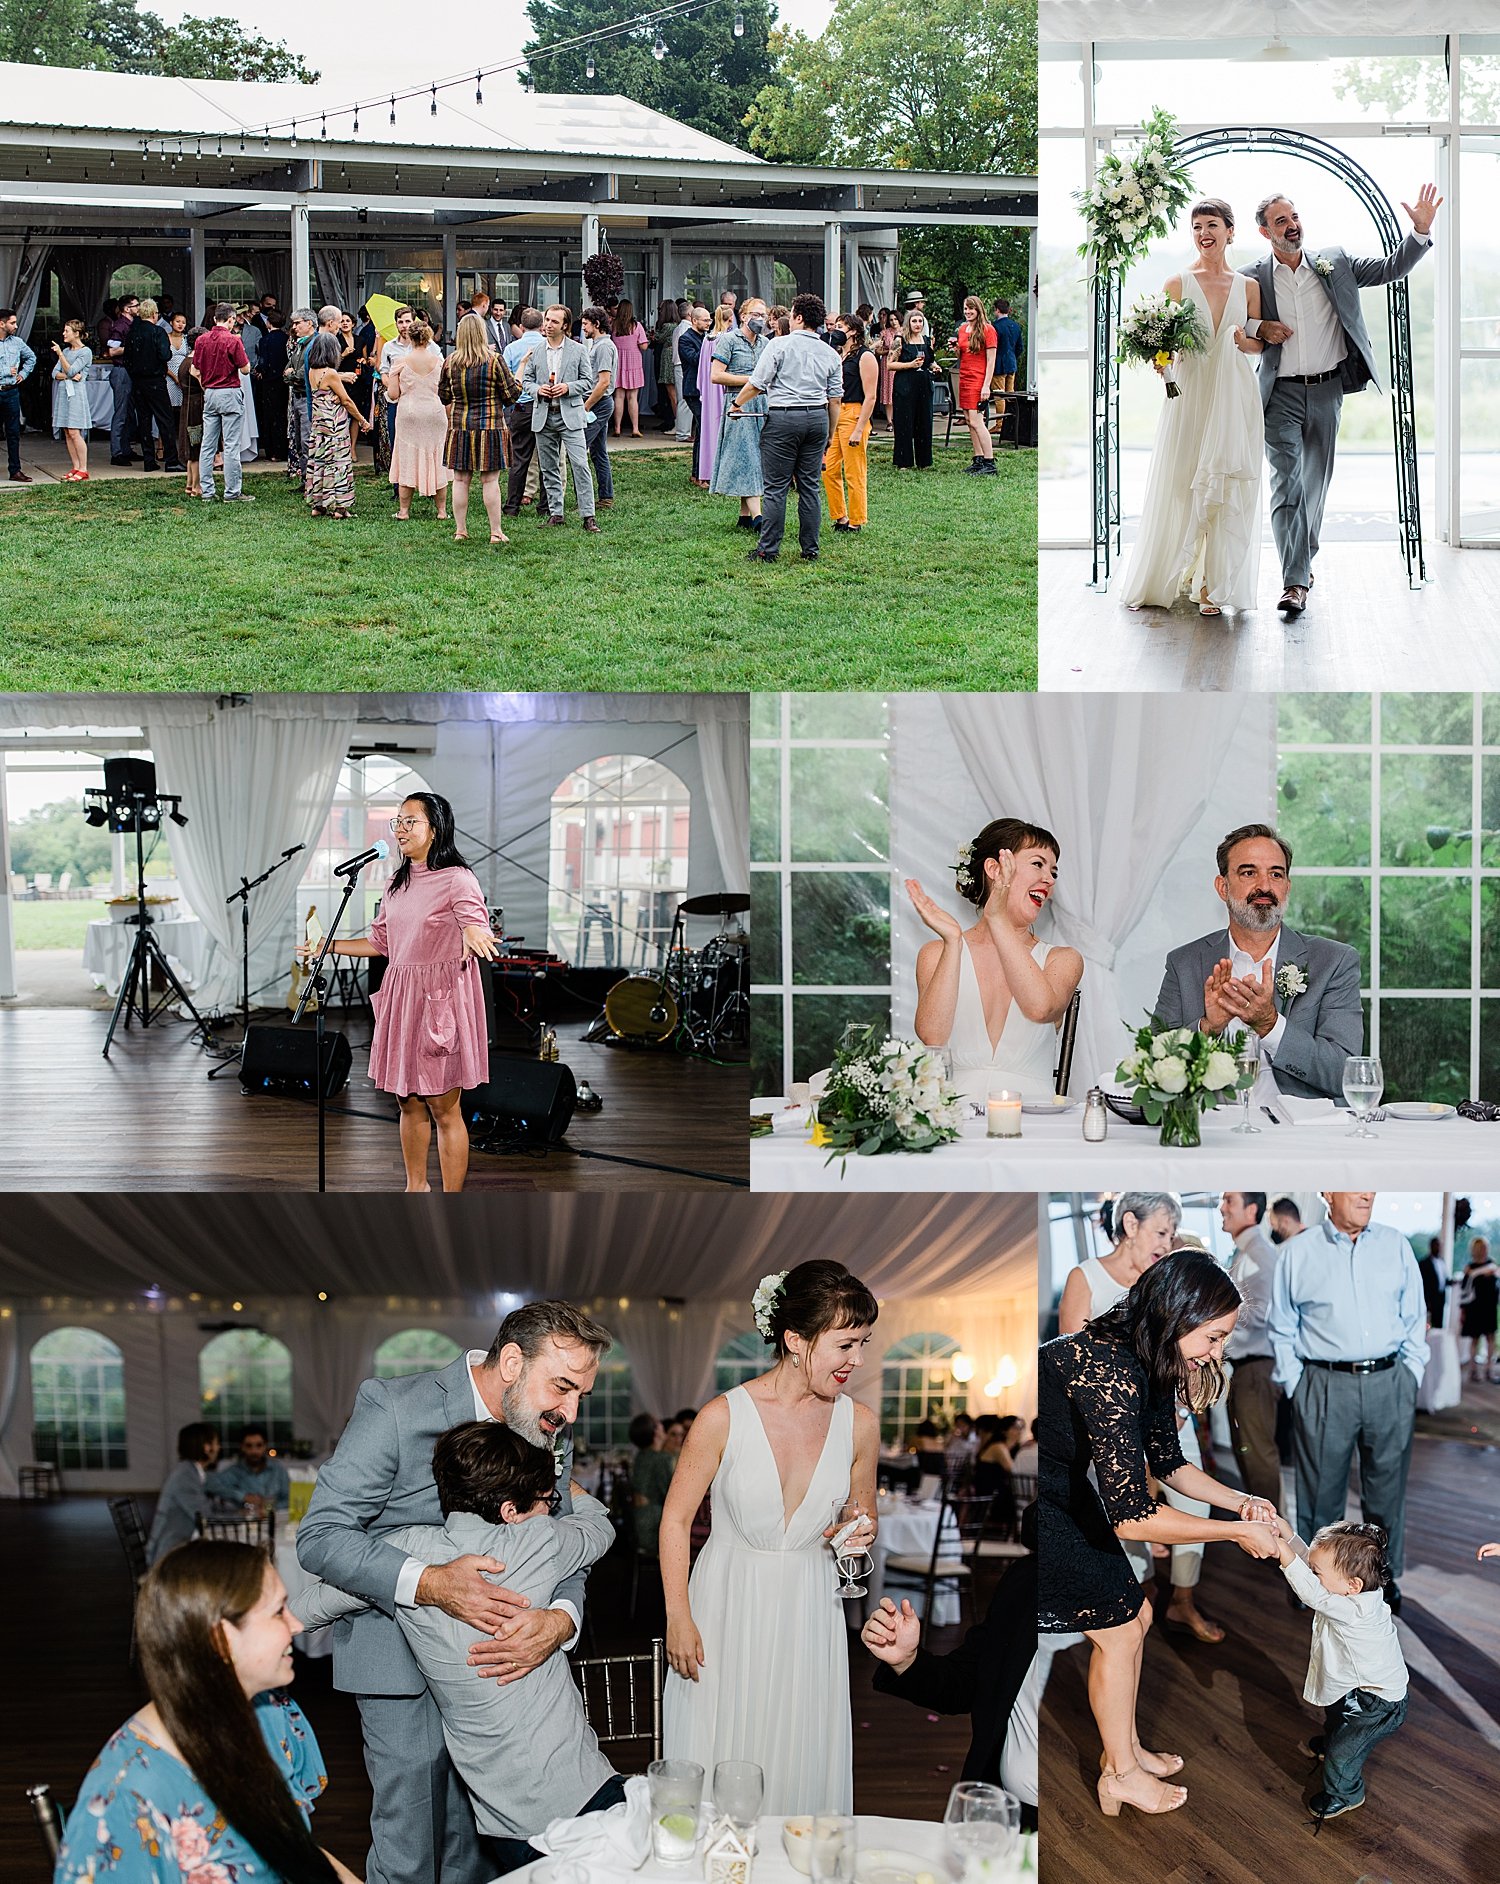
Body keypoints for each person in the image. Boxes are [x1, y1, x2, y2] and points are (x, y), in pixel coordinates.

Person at [297, 1300, 611, 1884]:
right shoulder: (394, 1407)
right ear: (512, 1363)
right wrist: (431, 1583)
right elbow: (321, 1537)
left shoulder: (548, 1428)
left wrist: (562, 1618)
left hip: (503, 1680)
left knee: (480, 1850)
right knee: (409, 1846)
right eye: (563, 1387)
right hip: (396, 1653)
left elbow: (565, 1537)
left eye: (580, 1397)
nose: (569, 1412)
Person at [1038, 1251, 1283, 1818]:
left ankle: (1122, 1751)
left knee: (1137, 1618)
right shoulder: (1108, 1367)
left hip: (1070, 1493)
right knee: (1121, 1631)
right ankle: (1120, 1775)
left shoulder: (1151, 1356)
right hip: (1046, 1505)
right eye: (1214, 1337)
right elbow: (1132, 1517)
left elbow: (1169, 1463)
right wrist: (1234, 1532)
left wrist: (1243, 1502)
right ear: (1178, 1315)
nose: (1217, 1353)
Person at [661, 1260, 880, 1814]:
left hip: (809, 1606)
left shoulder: (860, 1424)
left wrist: (858, 1533)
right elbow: (675, 1521)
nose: (858, 1360)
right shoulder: (721, 1417)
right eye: (846, 1345)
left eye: (864, 1344)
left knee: (799, 1746)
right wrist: (678, 1616)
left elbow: (863, 1516)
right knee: (718, 1741)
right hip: (726, 1603)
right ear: (795, 1340)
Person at [53, 1540, 358, 1884]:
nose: (296, 1625)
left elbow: (300, 1850)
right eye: (278, 1612)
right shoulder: (128, 1797)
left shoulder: (272, 1713)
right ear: (220, 1640)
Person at [1244, 183, 1440, 616]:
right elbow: (1229, 319)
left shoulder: (1335, 262)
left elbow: (1391, 268)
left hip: (1328, 389)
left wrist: (1420, 233)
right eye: (1281, 221)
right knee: (1286, 484)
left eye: (1294, 217)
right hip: (1280, 394)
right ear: (1264, 232)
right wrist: (1260, 328)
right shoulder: (1251, 277)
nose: (1292, 226)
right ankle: (1294, 581)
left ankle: (1302, 557)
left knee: (1314, 484)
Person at [303, 791, 499, 1190]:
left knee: (444, 1109)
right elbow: (382, 942)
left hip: (439, 1002)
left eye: (411, 821)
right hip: (403, 999)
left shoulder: (457, 878)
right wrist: (328, 945)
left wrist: (474, 930)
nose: (401, 829)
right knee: (407, 1103)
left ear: (436, 829)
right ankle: (416, 1188)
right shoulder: (396, 882)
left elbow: (473, 918)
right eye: (398, 821)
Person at [1055, 1195, 1221, 1645]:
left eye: (1172, 1234)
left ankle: (1183, 1600)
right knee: (1126, 1516)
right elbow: (1074, 1369)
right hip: (1109, 1431)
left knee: (1194, 1504)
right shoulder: (1085, 1277)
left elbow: (1183, 1356)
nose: (1168, 1243)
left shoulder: (1163, 1278)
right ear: (1130, 1225)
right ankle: (1139, 1595)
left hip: (1170, 1420)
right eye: (1161, 1232)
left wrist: (1179, 1412)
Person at [1268, 1192, 1426, 1610]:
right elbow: (1281, 1327)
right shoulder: (1298, 1252)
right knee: (1320, 1493)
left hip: (1390, 1381)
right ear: (1328, 1192)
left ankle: (1382, 1580)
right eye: (1355, 1185)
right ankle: (1315, 1581)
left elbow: (1415, 1318)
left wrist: (1411, 1375)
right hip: (1323, 1384)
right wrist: (1297, 1385)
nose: (1367, 1193)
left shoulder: (1395, 1244)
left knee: (1387, 1493)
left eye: (1371, 1185)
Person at [1120, 199, 1265, 617]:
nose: (1204, 233)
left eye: (1212, 225)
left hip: (1233, 393)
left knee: (1224, 482)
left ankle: (1210, 584)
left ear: (1230, 231)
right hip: (1191, 391)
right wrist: (1161, 361)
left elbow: (1257, 345)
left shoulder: (1248, 286)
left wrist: (1242, 340)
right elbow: (1162, 344)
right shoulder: (1178, 283)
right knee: (1184, 479)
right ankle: (1172, 572)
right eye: (1197, 226)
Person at [1155, 822, 1363, 1102]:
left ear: (1287, 887)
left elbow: (1344, 1074)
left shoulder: (1333, 961)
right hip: (1212, 1122)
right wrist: (1207, 1028)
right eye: (1249, 873)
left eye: (1276, 874)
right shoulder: (1184, 963)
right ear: (1223, 887)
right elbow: (1154, 1066)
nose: (1264, 886)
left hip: (1296, 1124)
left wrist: (1270, 1025)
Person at [862, 1509, 1041, 1832]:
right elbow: (965, 1683)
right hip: (1000, 1818)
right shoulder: (1027, 1582)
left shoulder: (1117, 1616)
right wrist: (906, 1660)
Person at [905, 816, 1083, 1108]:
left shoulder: (1063, 959)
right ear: (994, 869)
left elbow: (1040, 1008)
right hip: (951, 1117)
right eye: (1038, 864)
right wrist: (953, 942)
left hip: (1033, 1120)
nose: (1050, 880)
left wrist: (998, 918)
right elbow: (932, 1037)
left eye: (1053, 871)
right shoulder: (936, 952)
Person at [1272, 1521, 1408, 1825]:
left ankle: (1346, 1794)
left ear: (1352, 1586)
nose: (1312, 1575)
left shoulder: (1357, 1611)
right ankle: (1332, 1739)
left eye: (1317, 1574)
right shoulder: (1350, 1590)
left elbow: (1313, 1595)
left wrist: (1281, 1552)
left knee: (1344, 1754)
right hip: (1358, 1686)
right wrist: (1285, 1532)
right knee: (1336, 1713)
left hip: (1380, 1704)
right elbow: (1312, 1564)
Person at [731, 292, 842, 565]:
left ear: (799, 317)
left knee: (776, 488)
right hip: (817, 418)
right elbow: (835, 399)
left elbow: (757, 383)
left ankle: (768, 550)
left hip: (784, 418)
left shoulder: (778, 345)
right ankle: (810, 548)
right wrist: (830, 433)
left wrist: (736, 404)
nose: (788, 319)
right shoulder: (830, 353)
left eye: (791, 314)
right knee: (810, 487)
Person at [1219, 1191, 1284, 1515]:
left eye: (1229, 1200)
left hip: (1257, 1368)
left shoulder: (1259, 1254)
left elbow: (1263, 1312)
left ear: (1251, 1210)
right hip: (1246, 1368)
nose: (1222, 1207)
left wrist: (1217, 1322)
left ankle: (1275, 1532)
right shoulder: (1245, 1251)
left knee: (1258, 1458)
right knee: (1247, 1454)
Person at [520, 304, 600, 531]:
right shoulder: (536, 350)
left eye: (554, 321)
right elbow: (526, 381)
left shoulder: (578, 350)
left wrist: (568, 387)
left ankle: (588, 516)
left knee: (580, 465)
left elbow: (588, 382)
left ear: (565, 325)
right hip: (544, 415)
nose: (548, 324)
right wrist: (538, 390)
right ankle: (556, 513)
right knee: (548, 467)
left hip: (570, 416)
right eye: (547, 319)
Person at [442, 311, 519, 546]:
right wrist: (520, 376)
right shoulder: (494, 360)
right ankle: (495, 532)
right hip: (490, 425)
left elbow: (444, 396)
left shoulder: (450, 362)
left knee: (460, 480)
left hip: (460, 426)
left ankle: (460, 530)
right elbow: (511, 395)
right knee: (490, 481)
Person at [708, 296, 769, 530]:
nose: (759, 319)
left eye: (763, 315)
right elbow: (716, 375)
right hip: (738, 405)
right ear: (743, 316)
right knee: (748, 457)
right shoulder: (729, 340)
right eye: (755, 314)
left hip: (762, 404)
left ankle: (745, 516)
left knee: (755, 456)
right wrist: (751, 381)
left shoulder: (766, 343)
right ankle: (758, 517)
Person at [145, 1422, 245, 1563]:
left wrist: (238, 1512)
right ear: (206, 1447)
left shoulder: (191, 1471)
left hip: (183, 1547)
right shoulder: (185, 1477)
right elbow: (206, 1518)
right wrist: (244, 1517)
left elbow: (208, 1505)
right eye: (216, 1443)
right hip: (169, 1555)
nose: (218, 1448)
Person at [386, 316, 452, 522]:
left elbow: (393, 394)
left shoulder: (400, 362)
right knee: (438, 460)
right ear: (428, 338)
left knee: (407, 459)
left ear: (411, 337)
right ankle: (442, 511)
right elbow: (447, 395)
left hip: (409, 414)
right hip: (435, 413)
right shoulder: (440, 362)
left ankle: (404, 511)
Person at [303, 331, 373, 519]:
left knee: (320, 462)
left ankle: (318, 504)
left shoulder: (312, 371)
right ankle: (340, 507)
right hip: (334, 425)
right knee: (338, 464)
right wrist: (362, 420)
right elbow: (346, 400)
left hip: (319, 425)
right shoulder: (331, 373)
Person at [822, 312, 879, 534]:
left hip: (855, 412)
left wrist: (859, 428)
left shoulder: (865, 356)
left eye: (840, 326)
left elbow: (871, 396)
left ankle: (856, 519)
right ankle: (840, 516)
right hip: (836, 413)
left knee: (854, 471)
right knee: (829, 469)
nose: (835, 330)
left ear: (853, 331)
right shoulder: (838, 354)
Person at [194, 302, 253, 503]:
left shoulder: (201, 340)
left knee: (207, 445)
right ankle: (232, 492)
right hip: (229, 391)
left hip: (210, 392)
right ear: (231, 320)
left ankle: (207, 491)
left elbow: (195, 370)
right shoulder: (233, 340)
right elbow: (245, 369)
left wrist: (206, 385)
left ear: (214, 319)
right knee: (231, 445)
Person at [121, 296, 183, 472]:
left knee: (144, 421)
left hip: (138, 381)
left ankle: (149, 461)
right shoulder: (158, 332)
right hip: (155, 380)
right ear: (154, 314)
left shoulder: (132, 332)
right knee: (165, 420)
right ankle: (171, 460)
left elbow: (127, 360)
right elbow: (165, 355)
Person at [502, 307, 547, 519]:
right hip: (544, 405)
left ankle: (512, 506)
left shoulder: (511, 349)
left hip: (521, 408)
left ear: (521, 326)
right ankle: (546, 506)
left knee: (519, 458)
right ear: (542, 326)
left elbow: (505, 379)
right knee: (547, 458)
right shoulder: (548, 346)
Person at [953, 293, 999, 477]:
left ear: (978, 310)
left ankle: (990, 462)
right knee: (969, 421)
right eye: (965, 308)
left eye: (971, 308)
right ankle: (978, 458)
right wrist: (956, 349)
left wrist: (986, 385)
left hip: (978, 379)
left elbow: (991, 360)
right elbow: (962, 355)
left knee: (977, 421)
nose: (968, 312)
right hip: (964, 377)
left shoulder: (988, 330)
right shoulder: (962, 329)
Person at [890, 305, 939, 471]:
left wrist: (934, 367)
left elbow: (929, 361)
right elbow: (890, 364)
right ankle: (904, 461)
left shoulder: (927, 341)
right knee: (904, 422)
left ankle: (924, 461)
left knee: (924, 421)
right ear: (908, 323)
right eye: (914, 321)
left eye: (920, 321)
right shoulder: (900, 341)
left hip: (923, 385)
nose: (917, 324)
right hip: (905, 385)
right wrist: (909, 365)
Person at [579, 305, 617, 507]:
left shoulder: (603, 347)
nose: (583, 327)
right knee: (598, 452)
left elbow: (603, 382)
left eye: (586, 324)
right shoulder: (598, 345)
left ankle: (586, 500)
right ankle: (606, 497)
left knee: (578, 450)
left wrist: (586, 406)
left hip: (598, 403)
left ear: (597, 324)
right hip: (598, 402)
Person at [629, 1411, 675, 1566]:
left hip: (638, 1521)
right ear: (656, 1432)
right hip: (652, 1525)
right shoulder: (662, 1458)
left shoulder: (641, 1456)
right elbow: (669, 1494)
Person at [213, 1423, 292, 1513]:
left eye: (259, 1445)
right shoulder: (234, 1471)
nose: (254, 1451)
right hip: (245, 1519)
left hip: (275, 1518)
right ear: (242, 1447)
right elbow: (212, 1485)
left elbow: (289, 1499)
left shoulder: (278, 1470)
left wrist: (268, 1507)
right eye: (249, 1446)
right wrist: (243, 1496)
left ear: (265, 1446)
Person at [695, 305, 733, 487]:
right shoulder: (726, 339)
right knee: (723, 430)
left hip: (709, 389)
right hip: (722, 387)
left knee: (708, 431)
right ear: (730, 319)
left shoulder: (707, 339)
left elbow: (702, 368)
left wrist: (703, 388)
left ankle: (706, 472)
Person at [50, 318, 92, 481]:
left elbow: (71, 370)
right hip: (63, 393)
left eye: (66, 331)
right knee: (67, 432)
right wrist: (68, 376)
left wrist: (60, 355)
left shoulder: (85, 352)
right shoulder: (67, 351)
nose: (63, 334)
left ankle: (83, 468)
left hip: (76, 395)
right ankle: (75, 466)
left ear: (77, 333)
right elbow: (55, 373)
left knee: (75, 431)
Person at [100, 291, 138, 465]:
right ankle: (117, 452)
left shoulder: (132, 324)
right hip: (121, 370)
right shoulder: (120, 325)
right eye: (135, 305)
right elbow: (113, 351)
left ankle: (126, 449)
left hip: (129, 370)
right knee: (121, 412)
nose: (138, 308)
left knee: (129, 413)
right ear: (127, 309)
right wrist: (132, 346)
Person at [284, 308, 317, 486]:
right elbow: (286, 370)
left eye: (298, 323)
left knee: (306, 441)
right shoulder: (299, 344)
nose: (294, 327)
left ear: (309, 323)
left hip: (307, 398)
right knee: (298, 441)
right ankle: (305, 480)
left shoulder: (315, 344)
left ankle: (311, 482)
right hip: (297, 397)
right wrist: (291, 375)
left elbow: (305, 374)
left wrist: (291, 375)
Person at [1459, 1236, 1499, 1381]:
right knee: (1475, 1339)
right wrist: (1463, 1311)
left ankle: (1489, 1369)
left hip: (1489, 1307)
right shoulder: (1470, 1268)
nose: (1484, 1250)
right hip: (1475, 1308)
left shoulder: (1491, 1265)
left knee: (1490, 1338)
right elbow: (1464, 1291)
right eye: (1482, 1248)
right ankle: (1473, 1370)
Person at [254, 308, 290, 460]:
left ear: (269, 322)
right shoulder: (287, 338)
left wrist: (259, 370)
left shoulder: (265, 340)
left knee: (270, 415)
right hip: (284, 381)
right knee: (282, 415)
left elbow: (264, 361)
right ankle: (282, 449)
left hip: (269, 381)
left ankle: (272, 450)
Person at [611, 297, 650, 436]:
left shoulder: (613, 325)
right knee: (632, 397)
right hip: (634, 364)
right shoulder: (636, 326)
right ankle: (635, 429)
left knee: (618, 397)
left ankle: (617, 428)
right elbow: (644, 346)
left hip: (618, 363)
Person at [176, 326, 206, 496]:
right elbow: (204, 386)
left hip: (187, 406)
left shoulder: (185, 361)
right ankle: (196, 486)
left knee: (191, 445)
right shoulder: (196, 363)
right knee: (196, 446)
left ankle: (189, 484)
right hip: (196, 407)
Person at [991, 295, 1023, 425]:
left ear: (997, 310)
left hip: (999, 365)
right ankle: (1011, 423)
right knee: (1010, 394)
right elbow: (1020, 347)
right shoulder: (1016, 326)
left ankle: (1000, 424)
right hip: (1012, 363)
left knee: (999, 396)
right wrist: (1013, 357)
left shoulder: (995, 327)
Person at [874, 307, 900, 431]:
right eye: (891, 320)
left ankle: (899, 418)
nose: (893, 322)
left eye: (895, 319)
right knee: (888, 393)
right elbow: (877, 350)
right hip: (888, 364)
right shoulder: (885, 332)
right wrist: (887, 351)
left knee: (899, 391)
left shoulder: (905, 331)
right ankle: (889, 421)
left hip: (901, 363)